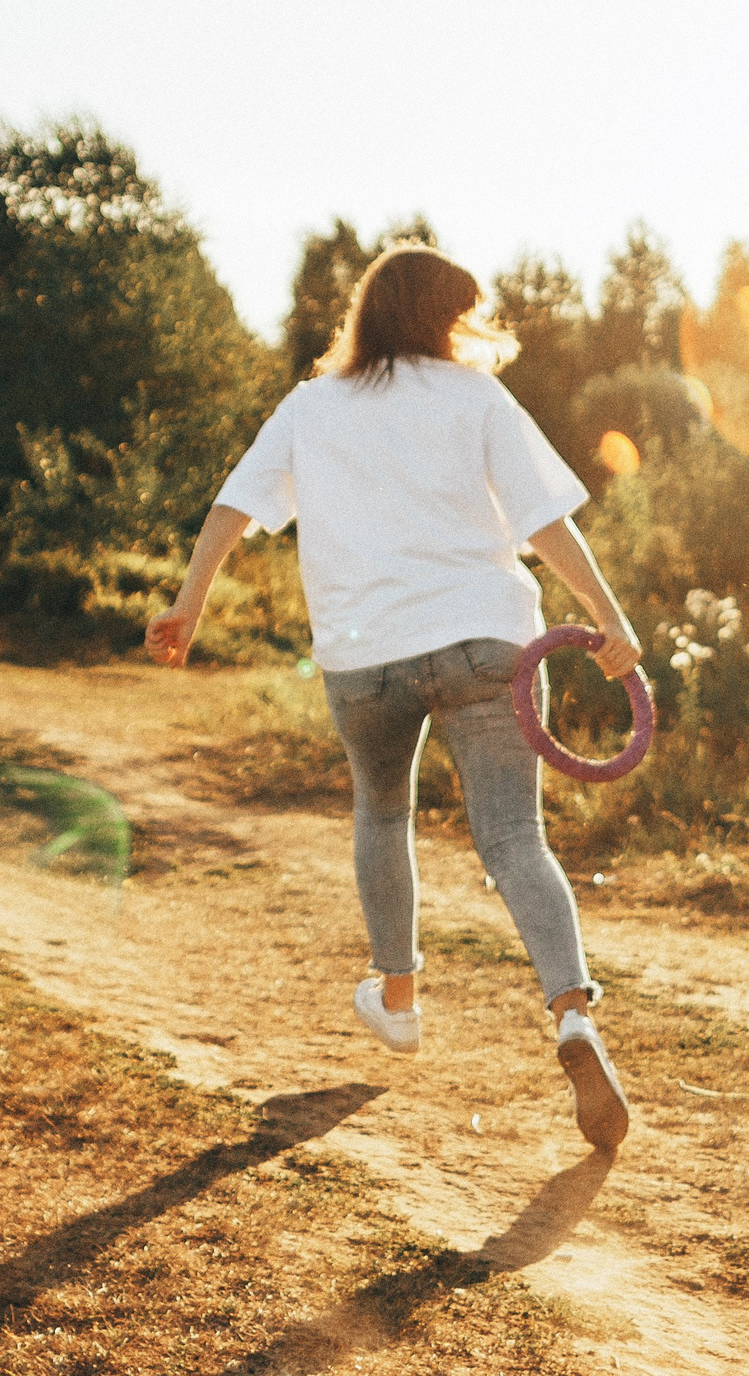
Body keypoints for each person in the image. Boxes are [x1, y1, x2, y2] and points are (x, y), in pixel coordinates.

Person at [145, 243, 642, 1150]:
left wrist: (188, 604)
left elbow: (235, 506)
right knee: (514, 838)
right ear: (443, 319)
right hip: (485, 636)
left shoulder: (312, 406)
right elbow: (544, 521)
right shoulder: (476, 397)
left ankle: (400, 997)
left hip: (364, 655)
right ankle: (572, 1015)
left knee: (382, 812)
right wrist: (610, 622)